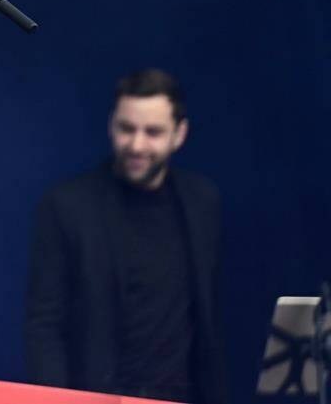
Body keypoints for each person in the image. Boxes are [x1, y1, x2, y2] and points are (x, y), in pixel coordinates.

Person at [25, 68, 227, 404]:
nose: (136, 144)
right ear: (111, 124)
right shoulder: (67, 207)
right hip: (98, 396)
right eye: (126, 129)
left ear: (180, 134)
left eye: (153, 132)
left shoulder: (202, 202)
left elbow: (209, 322)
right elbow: (44, 327)